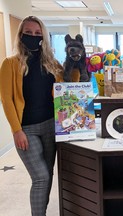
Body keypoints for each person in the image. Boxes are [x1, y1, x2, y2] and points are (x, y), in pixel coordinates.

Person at [0, 16, 63, 215]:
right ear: (20, 35)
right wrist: (16, 131)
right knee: (41, 177)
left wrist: (80, 65)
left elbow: (69, 86)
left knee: (48, 175)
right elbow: (7, 100)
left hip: (51, 125)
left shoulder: (52, 63)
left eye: (37, 33)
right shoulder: (9, 64)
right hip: (26, 130)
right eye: (28, 33)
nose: (33, 36)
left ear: (43, 37)